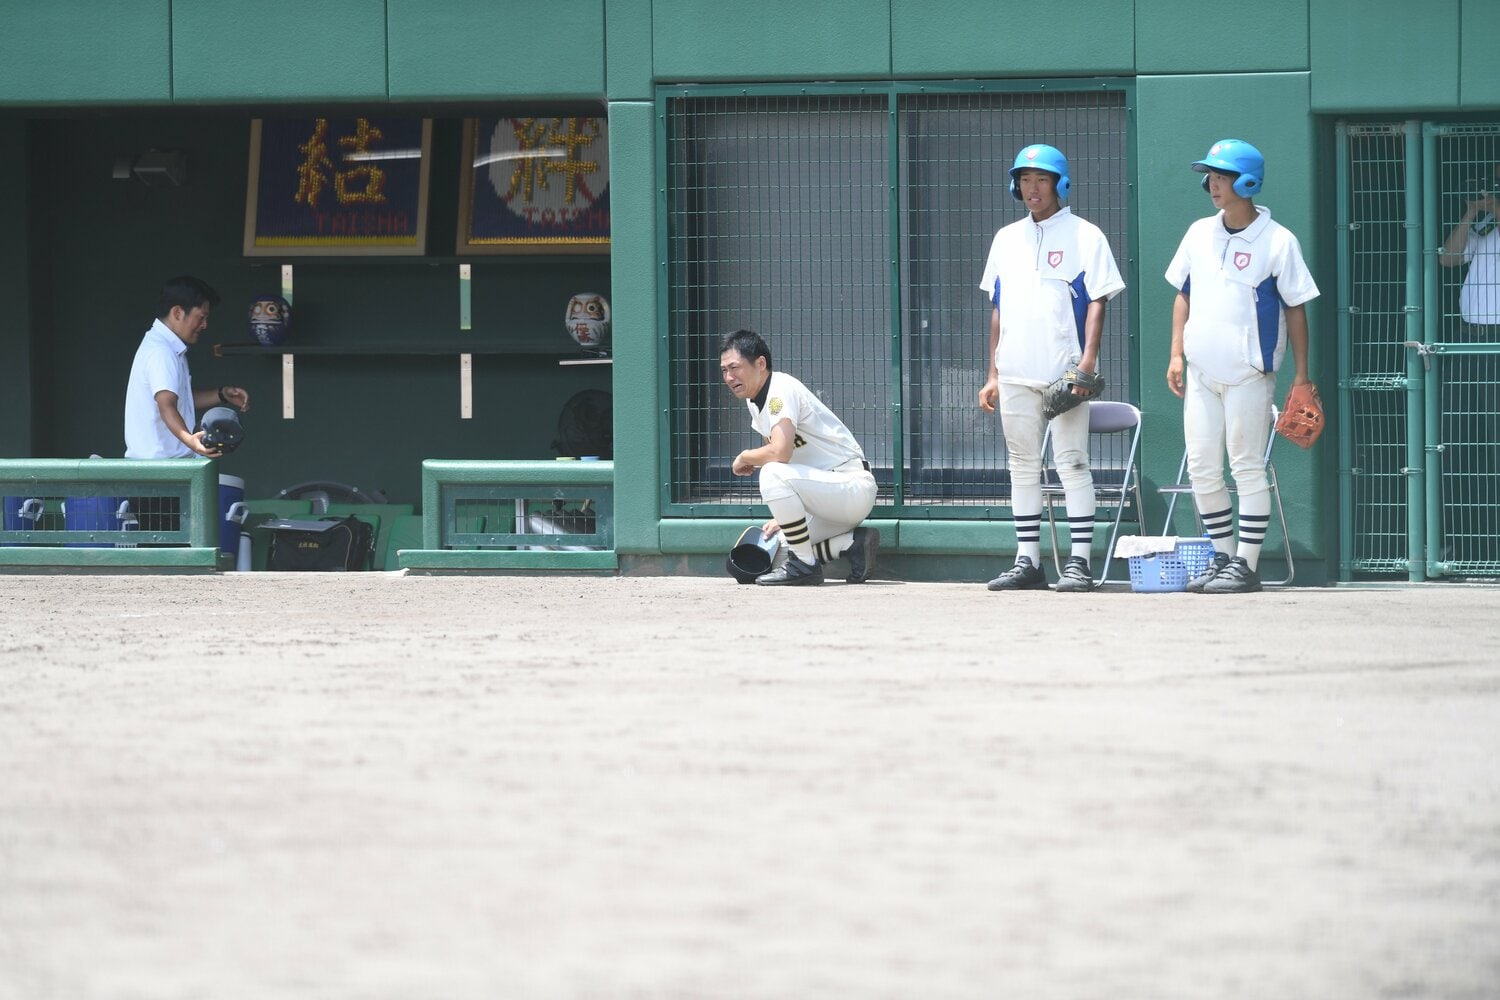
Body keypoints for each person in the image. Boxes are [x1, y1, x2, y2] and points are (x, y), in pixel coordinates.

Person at [1165, 139, 1320, 594]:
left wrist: (1302, 377)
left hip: (1251, 375)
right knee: (1202, 469)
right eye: (1210, 175)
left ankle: (1246, 567)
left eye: (1223, 175)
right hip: (1201, 373)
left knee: (1247, 466)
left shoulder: (1279, 240)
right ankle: (1223, 557)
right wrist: (1176, 353)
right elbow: (1183, 294)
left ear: (1247, 181)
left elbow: (1296, 309)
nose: (1213, 183)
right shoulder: (1198, 232)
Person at [976, 143, 1125, 593]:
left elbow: (1098, 300)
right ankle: (1028, 561)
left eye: (1041, 180)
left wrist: (1087, 362)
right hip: (1016, 370)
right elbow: (998, 307)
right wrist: (993, 373)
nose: (1032, 188)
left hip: (1064, 372)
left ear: (1060, 184)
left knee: (1072, 463)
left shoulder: (1086, 235)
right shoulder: (1006, 238)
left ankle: (1078, 564)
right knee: (1021, 466)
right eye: (1024, 180)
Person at [720, 328, 879, 586]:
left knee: (771, 472)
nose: (728, 376)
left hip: (850, 486)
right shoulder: (754, 401)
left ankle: (804, 567)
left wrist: (744, 457)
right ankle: (851, 544)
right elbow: (781, 457)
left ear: (760, 363)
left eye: (735, 367)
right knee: (775, 552)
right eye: (724, 370)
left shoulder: (780, 388)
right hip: (824, 497)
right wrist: (785, 518)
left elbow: (779, 453)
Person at [124, 275, 250, 460]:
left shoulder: (167, 347)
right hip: (160, 470)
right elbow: (166, 406)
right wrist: (190, 440)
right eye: (201, 317)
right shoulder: (161, 352)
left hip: (164, 468)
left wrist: (222, 394)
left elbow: (180, 401)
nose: (205, 325)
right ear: (177, 313)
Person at [1438, 161, 1500, 331]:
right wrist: (1471, 211)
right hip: (1474, 331)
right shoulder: (1485, 223)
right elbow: (1448, 259)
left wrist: (1494, 207)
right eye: (1495, 182)